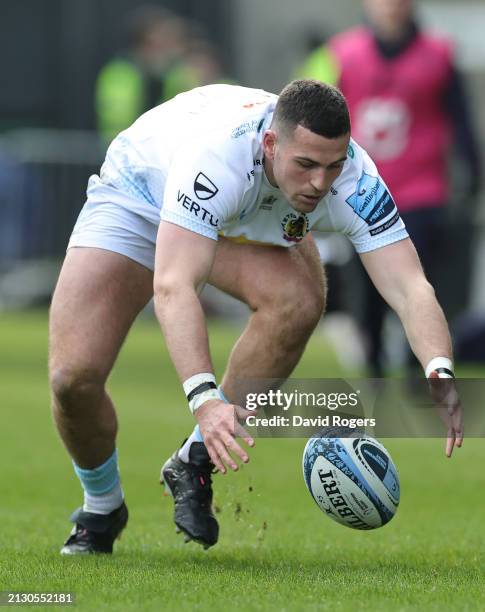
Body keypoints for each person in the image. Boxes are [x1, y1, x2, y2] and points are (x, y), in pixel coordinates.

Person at [49, 80, 463, 555]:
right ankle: (102, 507)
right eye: (305, 165)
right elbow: (174, 285)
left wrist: (439, 366)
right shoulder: (216, 159)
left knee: (299, 302)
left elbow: (410, 286)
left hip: (237, 216)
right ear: (270, 143)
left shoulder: (357, 179)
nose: (320, 184)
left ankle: (194, 461)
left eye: (333, 165)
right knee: (71, 377)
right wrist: (204, 400)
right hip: (140, 194)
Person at [297, 0, 482, 376]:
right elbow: (305, 115)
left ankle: (423, 368)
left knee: (417, 282)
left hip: (421, 190)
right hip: (360, 189)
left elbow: (461, 122)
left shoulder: (439, 55)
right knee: (365, 290)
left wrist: (473, 177)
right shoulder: (339, 54)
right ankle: (375, 366)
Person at [95, 6, 192, 143]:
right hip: (130, 152)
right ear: (149, 41)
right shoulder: (122, 73)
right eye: (167, 40)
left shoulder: (173, 75)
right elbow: (118, 121)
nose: (174, 49)